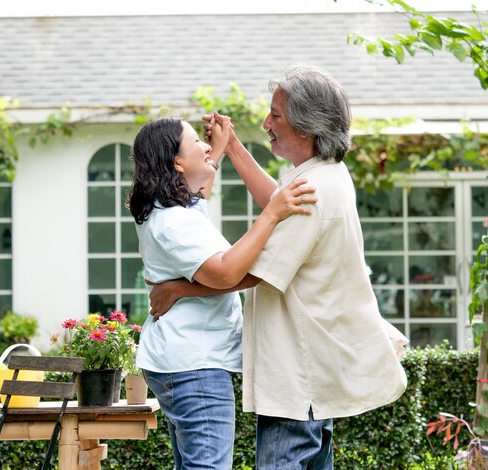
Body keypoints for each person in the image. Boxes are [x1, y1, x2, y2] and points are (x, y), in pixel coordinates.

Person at [148, 65, 407, 469]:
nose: (266, 122)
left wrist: (180, 288)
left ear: (306, 128)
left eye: (276, 115)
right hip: (311, 379)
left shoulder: (315, 190)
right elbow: (276, 199)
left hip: (296, 382)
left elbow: (246, 272)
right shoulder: (323, 176)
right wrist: (231, 147)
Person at [127, 117, 316, 470]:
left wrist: (222, 145)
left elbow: (202, 188)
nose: (204, 147)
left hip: (180, 358)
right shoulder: (175, 223)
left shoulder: (173, 205)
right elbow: (229, 271)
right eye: (195, 142)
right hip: (194, 364)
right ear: (176, 163)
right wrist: (272, 213)